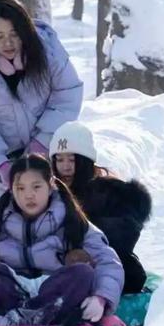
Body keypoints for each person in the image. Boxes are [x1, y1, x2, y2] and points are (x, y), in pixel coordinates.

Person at [0, 154, 124, 326]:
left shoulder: (72, 220)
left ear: (50, 185)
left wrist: (100, 298)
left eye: (36, 187)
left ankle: (7, 321)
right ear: (11, 189)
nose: (28, 195)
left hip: (54, 289)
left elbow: (107, 259)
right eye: (21, 188)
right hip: (11, 290)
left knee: (83, 274)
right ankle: (34, 316)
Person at [0, 0, 83, 201]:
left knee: (57, 219)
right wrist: (0, 164)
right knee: (10, 226)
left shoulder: (49, 53)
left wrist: (42, 143)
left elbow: (68, 94)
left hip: (52, 155)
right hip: (6, 165)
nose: (8, 43)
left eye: (14, 34)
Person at [49, 121, 151, 294]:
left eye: (72, 160)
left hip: (109, 269)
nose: (65, 167)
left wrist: (86, 232)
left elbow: (126, 234)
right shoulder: (52, 193)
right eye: (59, 160)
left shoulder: (108, 192)